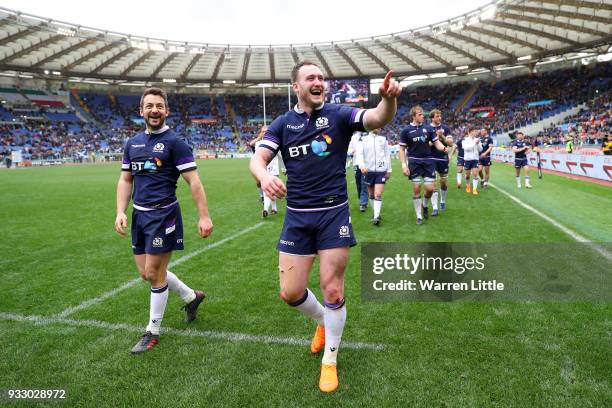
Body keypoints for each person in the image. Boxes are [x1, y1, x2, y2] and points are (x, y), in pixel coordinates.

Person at [249, 61, 401, 393]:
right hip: (297, 218)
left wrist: (388, 99)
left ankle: (329, 361)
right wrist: (264, 176)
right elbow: (257, 159)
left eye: (321, 78)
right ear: (296, 87)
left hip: (334, 215)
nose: (319, 82)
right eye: (311, 78)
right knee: (290, 293)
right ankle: (321, 322)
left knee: (333, 289)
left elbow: (377, 118)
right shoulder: (282, 124)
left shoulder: (339, 114)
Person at [115, 87, 214, 354]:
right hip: (139, 215)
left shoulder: (175, 143)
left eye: (159, 106)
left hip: (164, 214)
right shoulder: (132, 143)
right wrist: (121, 211)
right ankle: (192, 297)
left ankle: (152, 331)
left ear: (166, 111)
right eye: (149, 106)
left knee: (155, 275)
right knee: (145, 273)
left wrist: (204, 216)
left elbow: (193, 181)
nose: (154, 110)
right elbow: (126, 180)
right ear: (141, 111)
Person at [399, 105, 448, 225]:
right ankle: (419, 216)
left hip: (428, 161)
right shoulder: (406, 130)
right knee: (416, 189)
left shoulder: (428, 129)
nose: (422, 116)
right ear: (414, 116)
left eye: (422, 114)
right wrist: (404, 165)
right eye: (420, 114)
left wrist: (443, 148)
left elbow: (437, 143)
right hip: (414, 161)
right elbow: (401, 149)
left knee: (430, 189)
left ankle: (425, 205)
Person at [355, 129, 391, 225]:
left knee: (378, 194)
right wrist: (362, 166)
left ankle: (376, 216)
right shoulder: (363, 139)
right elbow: (359, 154)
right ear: (370, 127)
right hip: (368, 171)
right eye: (376, 126)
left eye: (379, 126)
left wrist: (389, 170)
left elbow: (387, 155)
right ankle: (376, 213)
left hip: (381, 171)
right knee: (371, 194)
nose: (378, 128)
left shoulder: (383, 139)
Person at [427, 109, 453, 215]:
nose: (439, 118)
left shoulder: (445, 128)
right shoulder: (427, 129)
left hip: (443, 158)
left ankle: (442, 200)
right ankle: (435, 208)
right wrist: (436, 138)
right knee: (433, 183)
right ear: (432, 118)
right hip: (431, 158)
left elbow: (451, 143)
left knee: (443, 183)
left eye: (440, 116)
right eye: (437, 116)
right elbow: (427, 144)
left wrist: (442, 136)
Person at [348, 131, 369, 211]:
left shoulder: (368, 135)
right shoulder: (353, 137)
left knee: (364, 183)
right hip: (356, 163)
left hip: (365, 164)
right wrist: (351, 152)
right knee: (358, 184)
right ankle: (362, 199)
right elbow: (349, 149)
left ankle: (363, 203)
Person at [249, 126, 267, 203]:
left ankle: (269, 196)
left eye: (265, 131)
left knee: (266, 180)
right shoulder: (258, 142)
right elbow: (251, 144)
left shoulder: (271, 140)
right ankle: (262, 196)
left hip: (268, 164)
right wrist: (259, 137)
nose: (264, 133)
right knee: (258, 182)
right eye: (262, 131)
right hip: (257, 164)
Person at [462, 127, 483, 195]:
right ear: (470, 132)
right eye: (474, 131)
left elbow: (480, 149)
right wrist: (474, 143)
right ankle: (468, 185)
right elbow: (466, 148)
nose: (476, 132)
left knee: (475, 174)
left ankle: (474, 189)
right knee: (467, 175)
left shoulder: (477, 140)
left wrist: (478, 144)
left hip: (475, 159)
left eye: (476, 131)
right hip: (467, 159)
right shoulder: (465, 140)